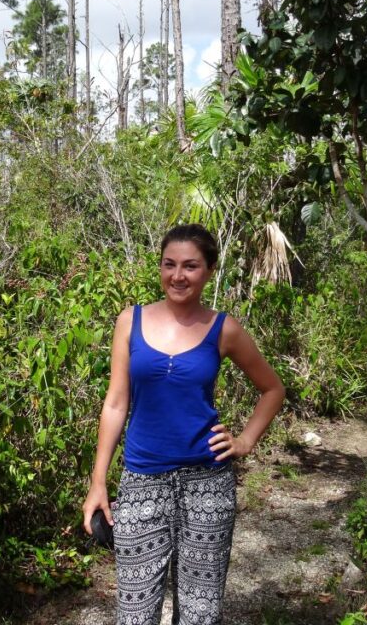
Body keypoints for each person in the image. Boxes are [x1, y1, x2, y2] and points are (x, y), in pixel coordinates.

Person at [82, 223, 285, 625]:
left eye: (190, 266)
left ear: (209, 270)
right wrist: (98, 481)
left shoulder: (223, 329)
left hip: (207, 484)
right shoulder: (131, 320)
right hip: (143, 482)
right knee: (135, 613)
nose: (178, 276)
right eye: (169, 264)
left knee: (199, 613)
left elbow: (273, 389)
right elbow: (116, 403)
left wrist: (244, 441)